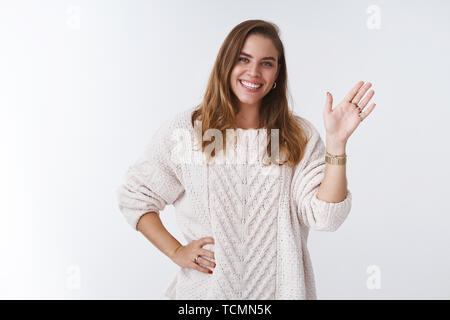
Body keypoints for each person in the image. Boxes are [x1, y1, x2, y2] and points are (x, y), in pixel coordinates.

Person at [116, 19, 376, 300]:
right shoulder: (187, 131)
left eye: (267, 63)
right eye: (243, 59)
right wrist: (176, 251)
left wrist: (336, 145)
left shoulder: (297, 135)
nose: (254, 72)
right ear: (225, 64)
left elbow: (326, 217)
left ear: (277, 73)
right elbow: (135, 197)